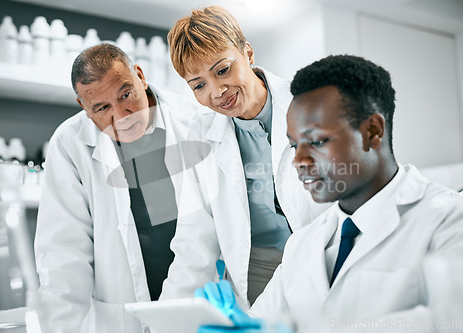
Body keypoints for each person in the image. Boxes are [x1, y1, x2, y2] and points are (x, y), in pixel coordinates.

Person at [194, 54, 463, 332]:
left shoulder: (449, 221)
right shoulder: (303, 245)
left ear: (372, 131)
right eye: (294, 145)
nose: (299, 160)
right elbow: (261, 322)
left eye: (317, 141)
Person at [160, 5, 329, 308]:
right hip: (256, 279)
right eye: (198, 85)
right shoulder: (199, 138)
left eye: (222, 70)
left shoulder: (312, 107)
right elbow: (193, 242)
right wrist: (166, 317)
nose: (217, 91)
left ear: (248, 53)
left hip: (324, 262)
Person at [34, 43, 209, 333]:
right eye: (102, 108)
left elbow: (207, 229)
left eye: (126, 94)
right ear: (84, 108)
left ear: (140, 76)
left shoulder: (195, 120)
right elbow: (63, 256)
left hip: (196, 298)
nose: (122, 115)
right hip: (122, 315)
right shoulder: (69, 143)